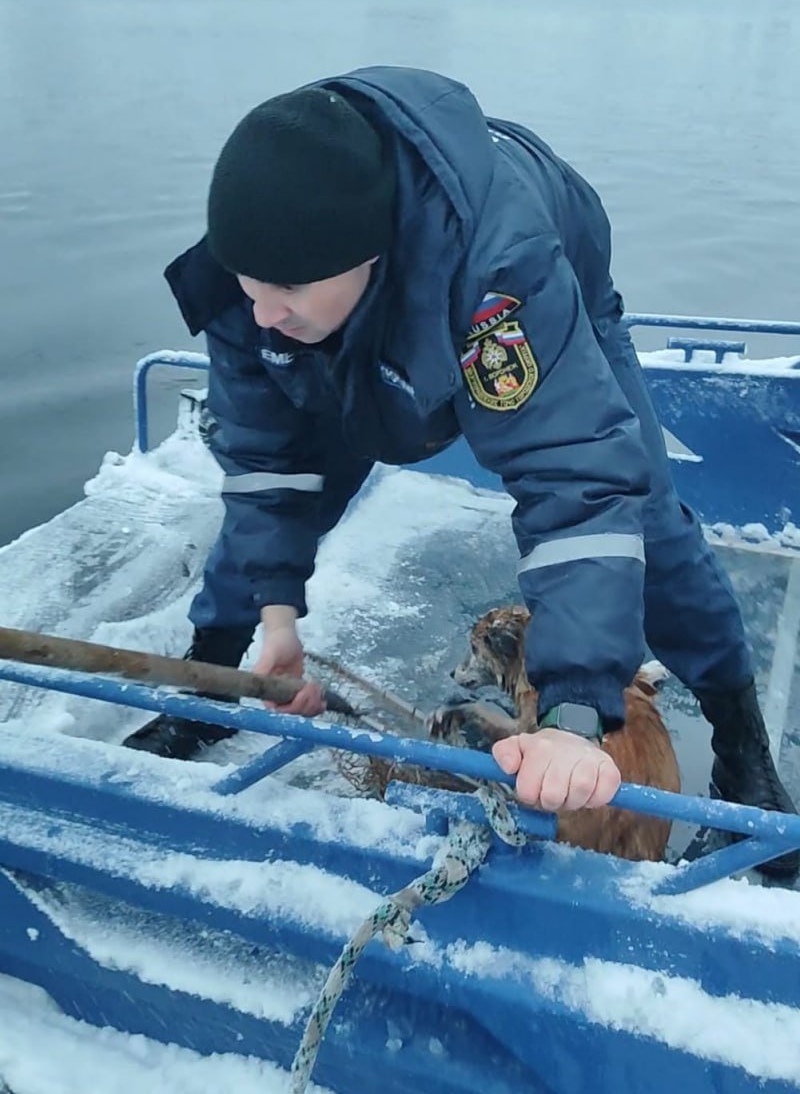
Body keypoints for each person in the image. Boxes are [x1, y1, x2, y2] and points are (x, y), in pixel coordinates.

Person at [124, 66, 798, 881]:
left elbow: (575, 484)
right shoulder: (255, 277)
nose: (262, 312)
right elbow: (269, 462)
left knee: (643, 515)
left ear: (366, 254)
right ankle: (214, 670)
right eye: (251, 287)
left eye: (287, 290)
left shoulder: (500, 280)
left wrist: (572, 717)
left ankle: (745, 756)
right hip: (367, 306)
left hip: (548, 283)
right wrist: (276, 624)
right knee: (280, 470)